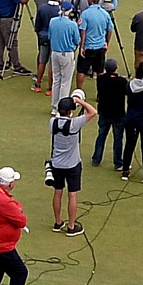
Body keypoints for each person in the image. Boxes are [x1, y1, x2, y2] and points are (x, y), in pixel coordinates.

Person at [47, 93, 88, 235]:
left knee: (57, 192)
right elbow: (93, 112)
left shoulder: (53, 122)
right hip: (72, 165)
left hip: (57, 164)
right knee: (72, 195)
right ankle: (71, 226)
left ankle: (58, 222)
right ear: (71, 111)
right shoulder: (74, 124)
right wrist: (80, 101)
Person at [46, 5, 82, 111]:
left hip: (55, 53)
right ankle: (62, 108)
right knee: (65, 82)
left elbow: (50, 36)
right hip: (66, 54)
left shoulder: (53, 21)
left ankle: (55, 106)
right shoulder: (72, 25)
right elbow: (77, 40)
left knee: (56, 80)